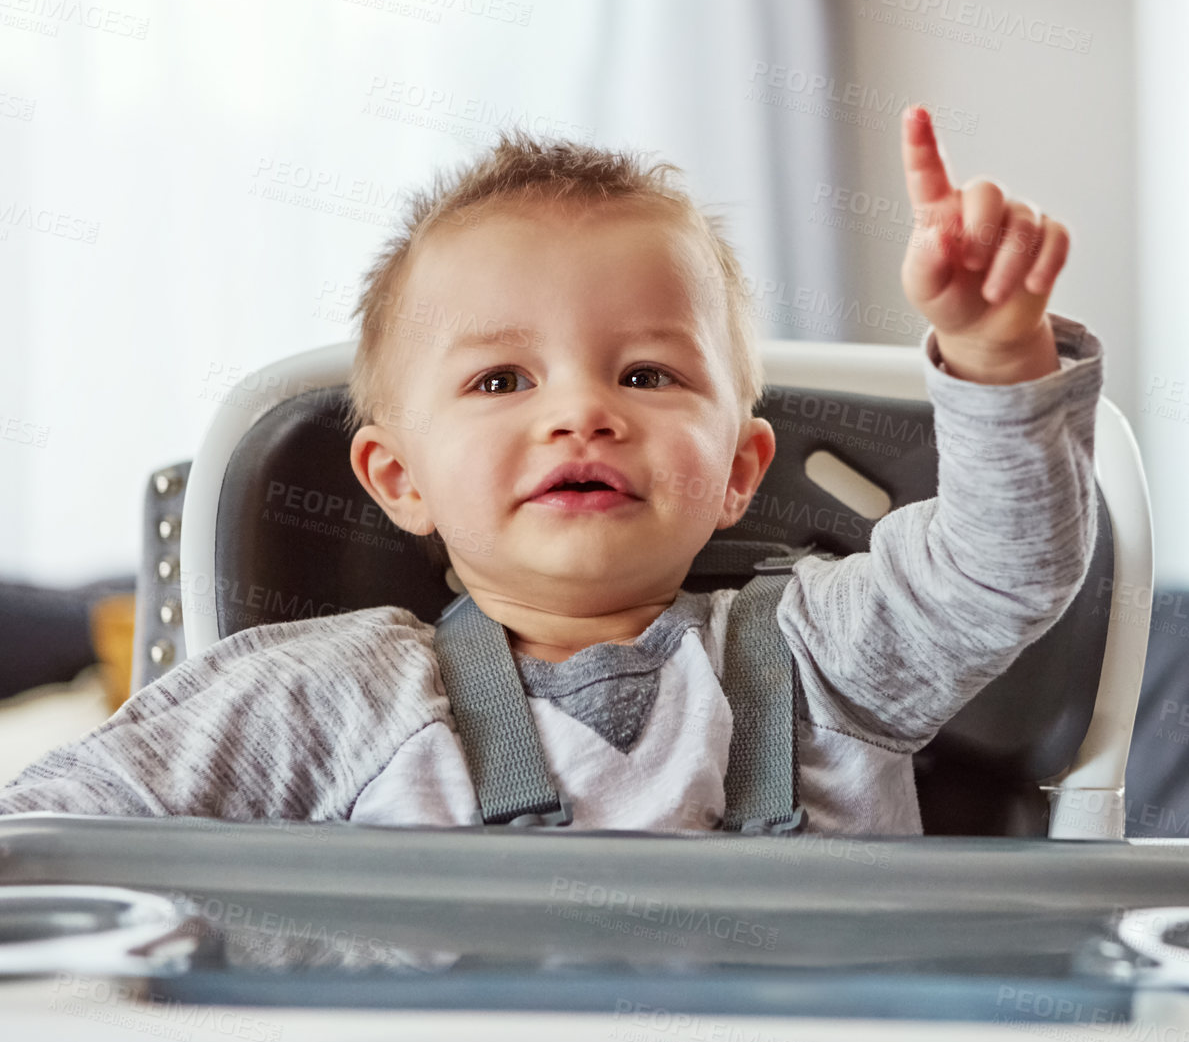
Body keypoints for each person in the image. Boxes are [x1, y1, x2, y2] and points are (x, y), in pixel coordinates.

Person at [0, 109, 1101, 833]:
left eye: (648, 374)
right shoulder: (320, 699)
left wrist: (998, 355)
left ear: (738, 468)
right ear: (397, 477)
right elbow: (53, 834)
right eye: (498, 383)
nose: (582, 411)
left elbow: (1004, 565)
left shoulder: (828, 658)